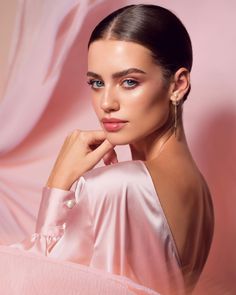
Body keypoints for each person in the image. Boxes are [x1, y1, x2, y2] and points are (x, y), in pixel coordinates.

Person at [8, 4, 214, 295]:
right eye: (96, 82)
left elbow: (35, 283)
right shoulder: (199, 189)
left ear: (177, 85)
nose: (106, 103)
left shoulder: (115, 186)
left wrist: (58, 185)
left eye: (129, 82)